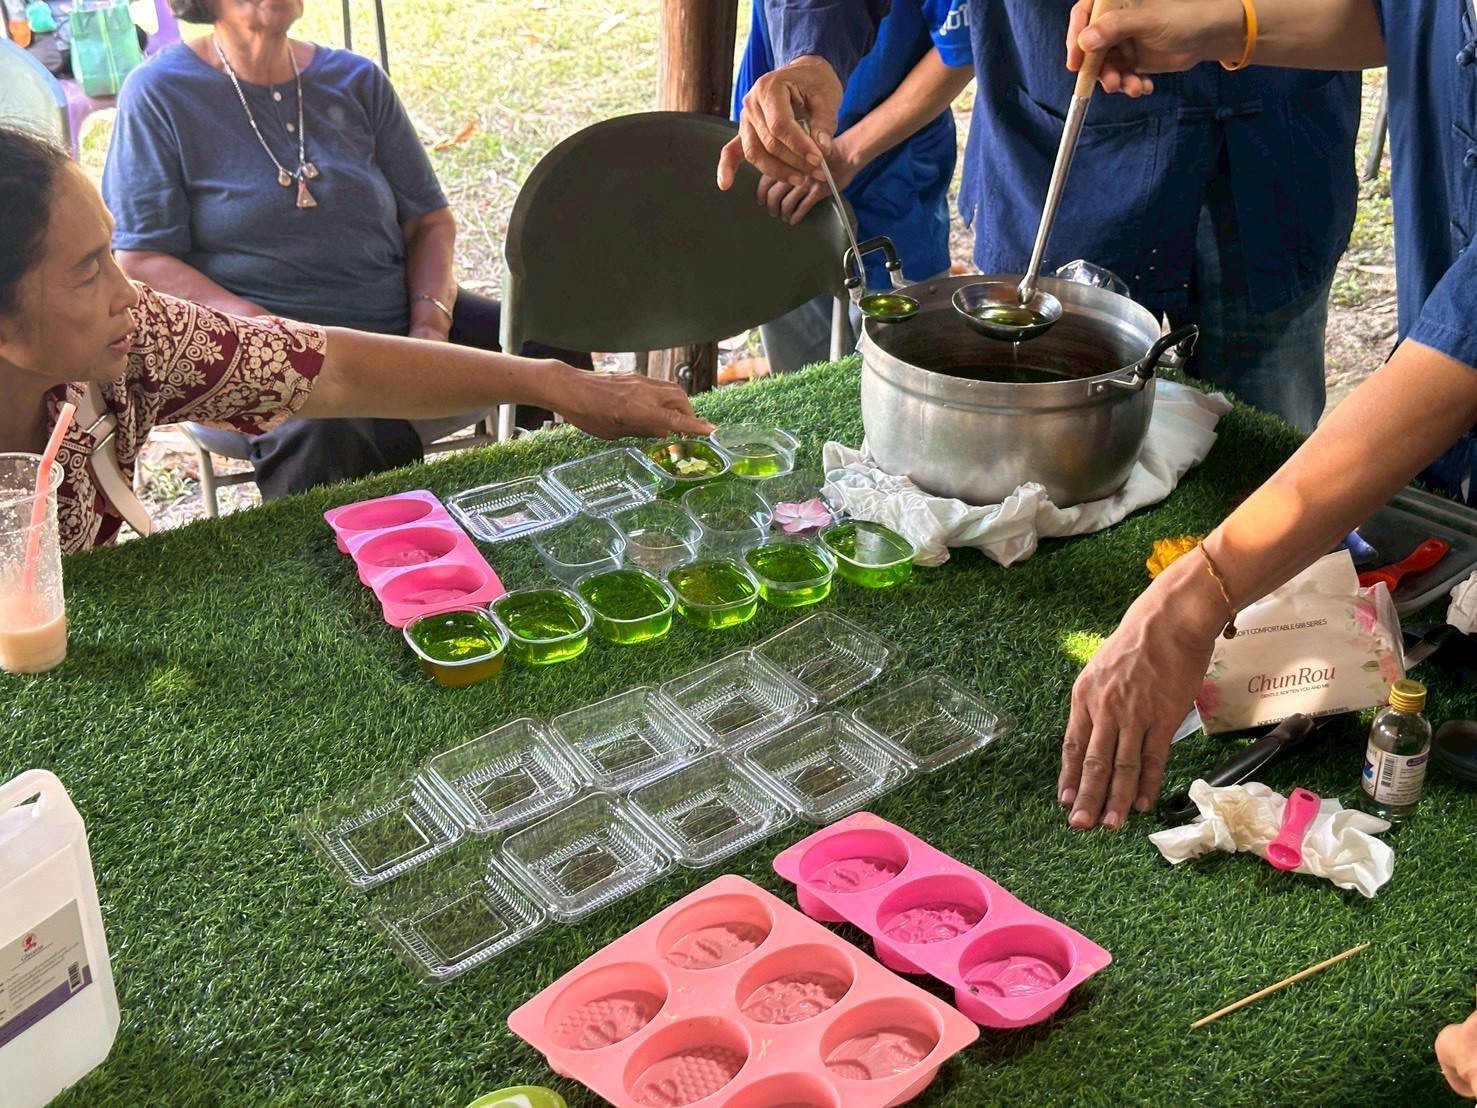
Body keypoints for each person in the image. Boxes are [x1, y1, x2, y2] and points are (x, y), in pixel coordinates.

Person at [0, 126, 709, 553]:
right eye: (90, 271)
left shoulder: (135, 339)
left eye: (111, 253)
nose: (130, 294)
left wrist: (560, 384)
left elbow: (326, 369)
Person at [717, 0, 1361, 433]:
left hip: (1273, 151)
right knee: (1029, 435)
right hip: (1057, 146)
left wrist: (1234, 19)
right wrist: (812, 55)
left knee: (1269, 443)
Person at [100, 0, 586, 498]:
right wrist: (272, 334)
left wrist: (428, 327)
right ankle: (366, 563)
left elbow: (430, 221)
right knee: (330, 427)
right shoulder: (160, 92)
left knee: (547, 348)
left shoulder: (356, 80)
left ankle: (554, 506)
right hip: (258, 346)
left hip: (396, 319)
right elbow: (142, 256)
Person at [733, 0, 971, 373]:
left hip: (891, 168)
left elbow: (961, 49)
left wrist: (850, 151)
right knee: (799, 378)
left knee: (902, 372)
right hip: (777, 155)